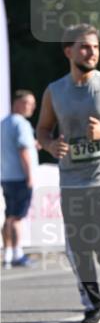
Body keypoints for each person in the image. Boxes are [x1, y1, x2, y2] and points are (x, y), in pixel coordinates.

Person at [36, 24, 100, 323]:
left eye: (95, 47)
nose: (91, 52)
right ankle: (94, 306)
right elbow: (42, 129)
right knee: (77, 245)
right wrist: (50, 144)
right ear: (68, 51)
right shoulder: (55, 91)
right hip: (70, 178)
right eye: (84, 47)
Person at [1, 89, 38, 268]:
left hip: (7, 176)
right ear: (17, 103)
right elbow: (23, 150)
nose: (32, 107)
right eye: (28, 103)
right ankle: (17, 254)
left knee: (9, 216)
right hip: (20, 176)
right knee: (17, 217)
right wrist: (29, 174)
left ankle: (7, 253)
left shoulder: (4, 123)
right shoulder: (21, 124)